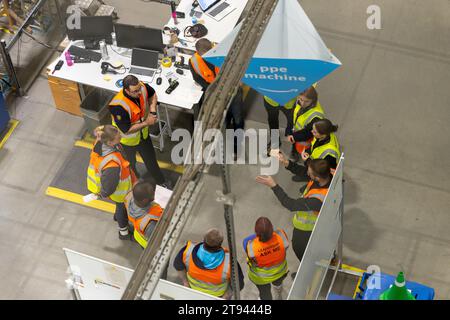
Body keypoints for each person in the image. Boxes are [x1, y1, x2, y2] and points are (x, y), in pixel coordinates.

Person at [256, 159, 332, 278]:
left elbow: (290, 204)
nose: (307, 173)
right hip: (321, 225)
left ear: (317, 177)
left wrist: (274, 186)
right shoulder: (328, 175)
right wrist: (287, 163)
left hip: (307, 229)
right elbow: (304, 172)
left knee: (301, 251)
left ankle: (307, 273)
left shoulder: (316, 200)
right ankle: (328, 257)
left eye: (310, 172)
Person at [108, 75, 167, 186]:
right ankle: (136, 182)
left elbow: (153, 94)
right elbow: (126, 130)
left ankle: (161, 182)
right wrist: (147, 123)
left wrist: (152, 110)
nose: (139, 92)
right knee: (130, 164)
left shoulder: (142, 87)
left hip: (143, 136)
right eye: (135, 91)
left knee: (151, 161)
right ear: (126, 90)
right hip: (127, 142)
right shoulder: (118, 106)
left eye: (139, 88)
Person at [190, 38, 244, 156]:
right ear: (199, 53)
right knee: (222, 118)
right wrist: (214, 88)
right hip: (216, 94)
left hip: (233, 91)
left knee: (238, 118)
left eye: (211, 51)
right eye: (206, 54)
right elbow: (198, 79)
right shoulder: (194, 62)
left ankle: (236, 146)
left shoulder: (224, 52)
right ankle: (227, 129)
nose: (210, 55)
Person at [87, 125, 136, 240]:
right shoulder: (111, 164)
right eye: (118, 138)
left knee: (119, 208)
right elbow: (110, 186)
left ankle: (117, 217)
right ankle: (123, 231)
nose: (121, 138)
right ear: (109, 143)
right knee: (121, 209)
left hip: (115, 188)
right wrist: (103, 194)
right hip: (119, 191)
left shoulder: (100, 141)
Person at [173, 228, 245, 299]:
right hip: (216, 296)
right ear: (220, 244)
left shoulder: (188, 251)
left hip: (192, 291)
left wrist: (186, 283)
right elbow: (239, 285)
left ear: (204, 240)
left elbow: (178, 265)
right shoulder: (229, 262)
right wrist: (225, 297)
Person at [243, 217, 289, 300]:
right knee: (278, 282)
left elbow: (251, 258)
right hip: (280, 271)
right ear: (272, 228)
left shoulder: (250, 246)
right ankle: (278, 291)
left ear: (256, 231)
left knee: (264, 292)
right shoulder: (281, 235)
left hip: (261, 278)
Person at [286, 86, 325, 159]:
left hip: (306, 138)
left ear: (313, 100)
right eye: (301, 99)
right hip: (296, 133)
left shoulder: (316, 116)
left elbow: (308, 133)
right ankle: (294, 152)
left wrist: (294, 137)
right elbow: (292, 115)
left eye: (307, 101)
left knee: (305, 153)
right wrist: (289, 131)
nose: (303, 103)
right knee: (295, 146)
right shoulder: (298, 102)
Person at [124, 181, 163, 249]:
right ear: (145, 200)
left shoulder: (130, 198)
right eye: (152, 192)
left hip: (138, 235)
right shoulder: (149, 223)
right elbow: (159, 239)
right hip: (147, 242)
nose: (154, 192)